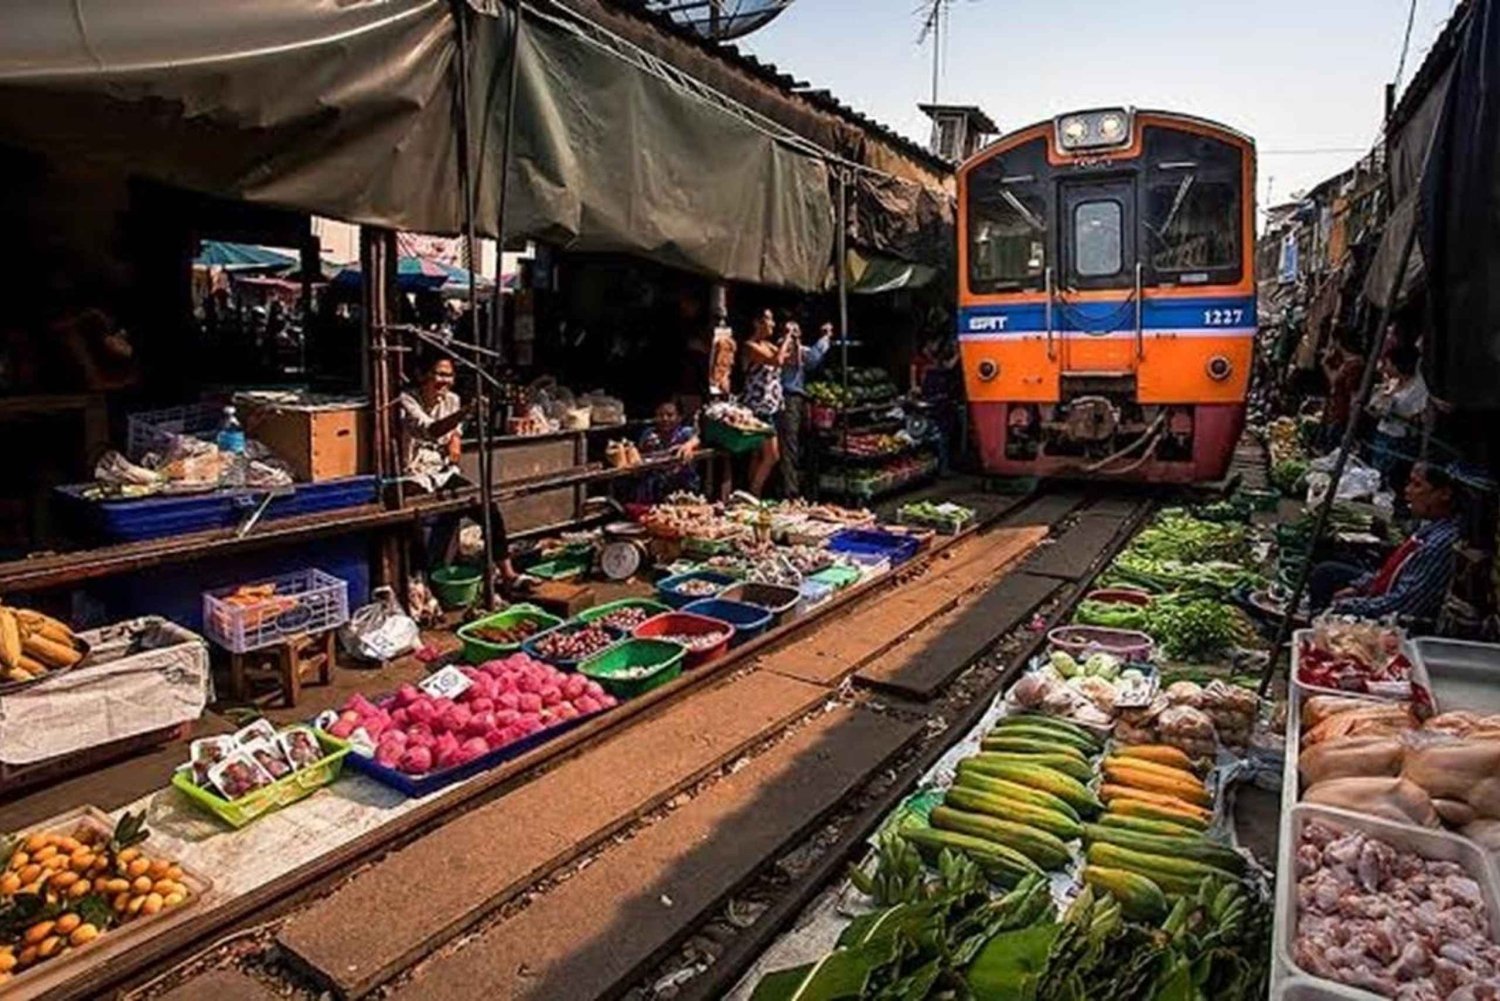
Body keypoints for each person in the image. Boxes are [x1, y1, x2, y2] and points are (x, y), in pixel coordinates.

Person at [398, 354, 519, 589]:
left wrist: (456, 436)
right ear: (422, 376)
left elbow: (455, 434)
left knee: (488, 509)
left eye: (449, 375)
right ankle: (421, 586)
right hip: (415, 474)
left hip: (443, 473)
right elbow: (430, 431)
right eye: (440, 374)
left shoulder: (452, 400)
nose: (446, 381)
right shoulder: (408, 400)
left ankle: (508, 574)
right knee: (417, 525)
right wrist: (465, 413)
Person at [1308, 463, 1461, 623]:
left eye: (1417, 485)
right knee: (1326, 570)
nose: (1407, 490)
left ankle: (1319, 622)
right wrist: (1360, 587)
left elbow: (1402, 603)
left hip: (1399, 616)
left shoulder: (1440, 543)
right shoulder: (1431, 525)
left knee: (1325, 577)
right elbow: (1392, 572)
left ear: (1444, 494)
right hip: (1390, 587)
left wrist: (1344, 606)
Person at [741, 308, 795, 496]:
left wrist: (793, 340)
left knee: (758, 455)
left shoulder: (768, 345)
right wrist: (786, 338)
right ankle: (754, 492)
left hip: (771, 406)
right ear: (757, 323)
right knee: (772, 455)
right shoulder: (749, 346)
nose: (772, 324)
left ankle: (751, 493)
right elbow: (776, 361)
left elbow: (790, 360)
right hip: (758, 407)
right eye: (769, 320)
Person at [776, 317, 831, 498]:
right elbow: (793, 359)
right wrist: (789, 339)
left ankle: (797, 487)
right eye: (790, 331)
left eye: (796, 332)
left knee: (797, 444)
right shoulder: (781, 348)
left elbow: (813, 358)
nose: (794, 335)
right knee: (788, 444)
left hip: (798, 399)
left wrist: (825, 338)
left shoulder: (801, 349)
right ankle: (789, 492)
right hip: (786, 398)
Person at [1366, 343, 1428, 488]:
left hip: (1398, 439)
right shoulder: (1392, 382)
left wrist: (1397, 415)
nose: (1385, 368)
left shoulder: (1417, 388)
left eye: (1388, 364)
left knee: (1387, 478)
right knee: (1374, 475)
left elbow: (1419, 416)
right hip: (1382, 433)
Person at [635, 399, 701, 503]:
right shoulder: (649, 433)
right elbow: (639, 454)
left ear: (679, 418)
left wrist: (689, 445)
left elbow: (697, 439)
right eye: (660, 415)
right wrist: (647, 447)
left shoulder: (684, 432)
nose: (665, 419)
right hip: (654, 486)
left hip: (683, 484)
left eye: (670, 415)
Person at [1319, 328, 1363, 450]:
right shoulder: (1344, 362)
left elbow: (1338, 383)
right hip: (1335, 410)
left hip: (1342, 412)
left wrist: (1325, 365)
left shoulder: (1354, 366)